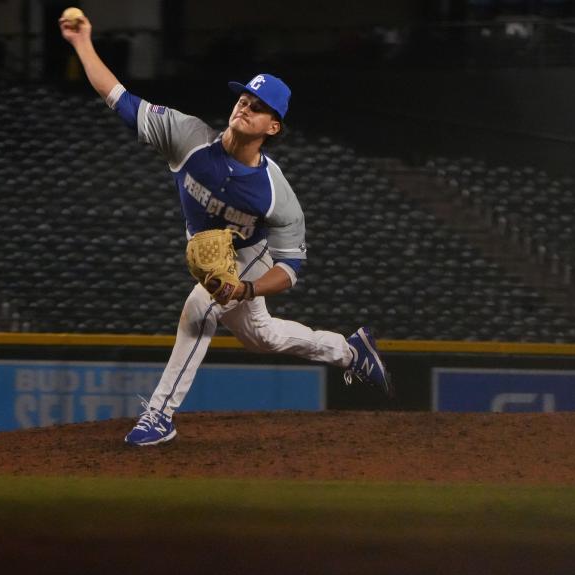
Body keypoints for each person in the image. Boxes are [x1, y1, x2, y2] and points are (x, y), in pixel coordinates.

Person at [59, 12, 392, 446]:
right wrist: (82, 42)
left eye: (257, 107)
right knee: (262, 337)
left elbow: (291, 268)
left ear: (273, 127)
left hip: (251, 253)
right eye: (243, 99)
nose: (245, 107)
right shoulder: (188, 137)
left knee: (199, 309)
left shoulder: (275, 194)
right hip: (219, 260)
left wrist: (246, 290)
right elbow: (118, 97)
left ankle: (160, 415)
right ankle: (350, 352)